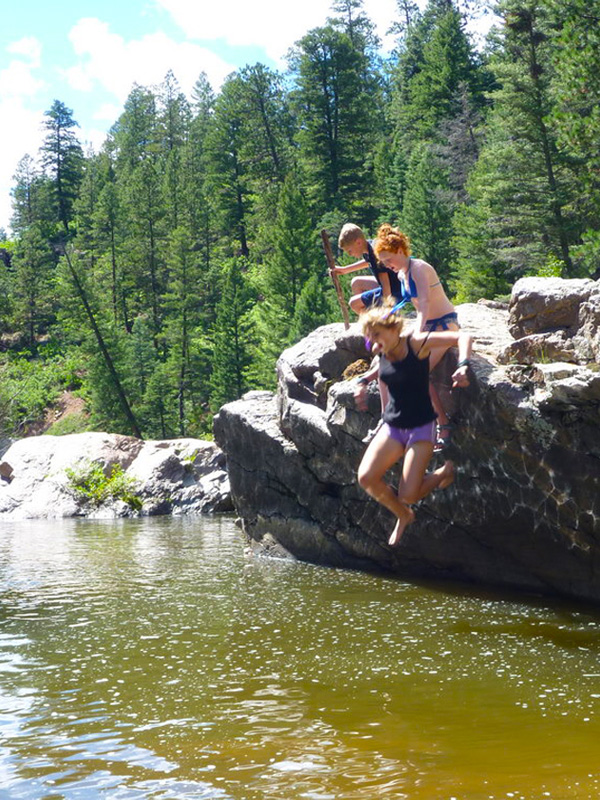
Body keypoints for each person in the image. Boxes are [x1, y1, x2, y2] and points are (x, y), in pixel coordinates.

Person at [355, 299, 473, 546]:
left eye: (377, 334)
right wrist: (362, 382)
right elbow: (379, 370)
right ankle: (403, 515)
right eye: (369, 336)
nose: (373, 341)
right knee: (366, 478)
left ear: (393, 328)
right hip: (393, 426)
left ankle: (444, 471)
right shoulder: (381, 350)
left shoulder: (416, 342)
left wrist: (462, 366)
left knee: (408, 495)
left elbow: (462, 337)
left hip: (421, 426)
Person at [373, 223, 459, 447]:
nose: (387, 265)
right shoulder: (403, 273)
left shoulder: (419, 268)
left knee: (417, 373)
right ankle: (387, 418)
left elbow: (425, 305)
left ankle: (444, 425)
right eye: (384, 262)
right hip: (429, 325)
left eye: (389, 259)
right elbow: (410, 304)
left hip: (443, 326)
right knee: (387, 358)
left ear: (401, 251)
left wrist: (417, 335)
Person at [331, 223, 405, 314]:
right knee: (356, 282)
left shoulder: (375, 253)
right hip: (394, 284)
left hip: (396, 290)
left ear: (358, 242)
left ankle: (373, 322)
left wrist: (388, 309)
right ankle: (370, 318)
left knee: (354, 303)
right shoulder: (369, 246)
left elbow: (385, 283)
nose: (349, 254)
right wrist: (346, 269)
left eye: (349, 250)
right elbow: (368, 262)